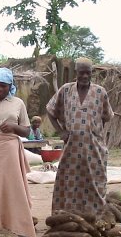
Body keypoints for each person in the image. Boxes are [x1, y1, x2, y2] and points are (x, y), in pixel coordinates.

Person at [46, 57, 114, 216]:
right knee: (70, 181)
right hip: (72, 148)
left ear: (92, 73)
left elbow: (106, 117)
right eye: (81, 73)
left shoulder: (100, 92)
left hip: (94, 148)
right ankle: (67, 216)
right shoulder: (65, 90)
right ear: (76, 73)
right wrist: (61, 131)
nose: (85, 76)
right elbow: (50, 111)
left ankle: (95, 217)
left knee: (95, 181)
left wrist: (95, 134)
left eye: (88, 73)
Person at [0, 68, 36, 237]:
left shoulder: (18, 103)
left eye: (3, 86)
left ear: (10, 86)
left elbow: (27, 132)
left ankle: (18, 228)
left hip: (10, 150)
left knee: (13, 188)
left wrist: (13, 127)